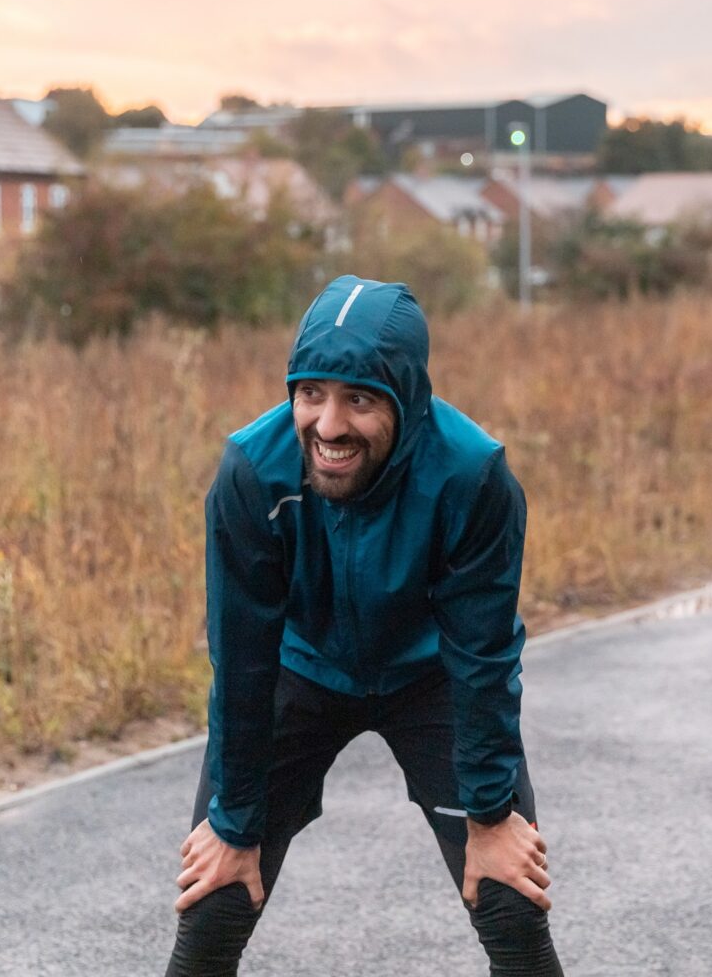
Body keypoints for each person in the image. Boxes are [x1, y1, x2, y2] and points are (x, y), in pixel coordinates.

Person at [165, 275, 567, 976]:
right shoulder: (252, 475)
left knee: (510, 901)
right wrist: (233, 825)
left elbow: (483, 657)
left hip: (430, 676)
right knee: (216, 896)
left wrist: (490, 814)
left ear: (406, 402)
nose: (327, 425)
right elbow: (242, 660)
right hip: (300, 668)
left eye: (360, 400)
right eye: (311, 393)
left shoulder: (471, 476)